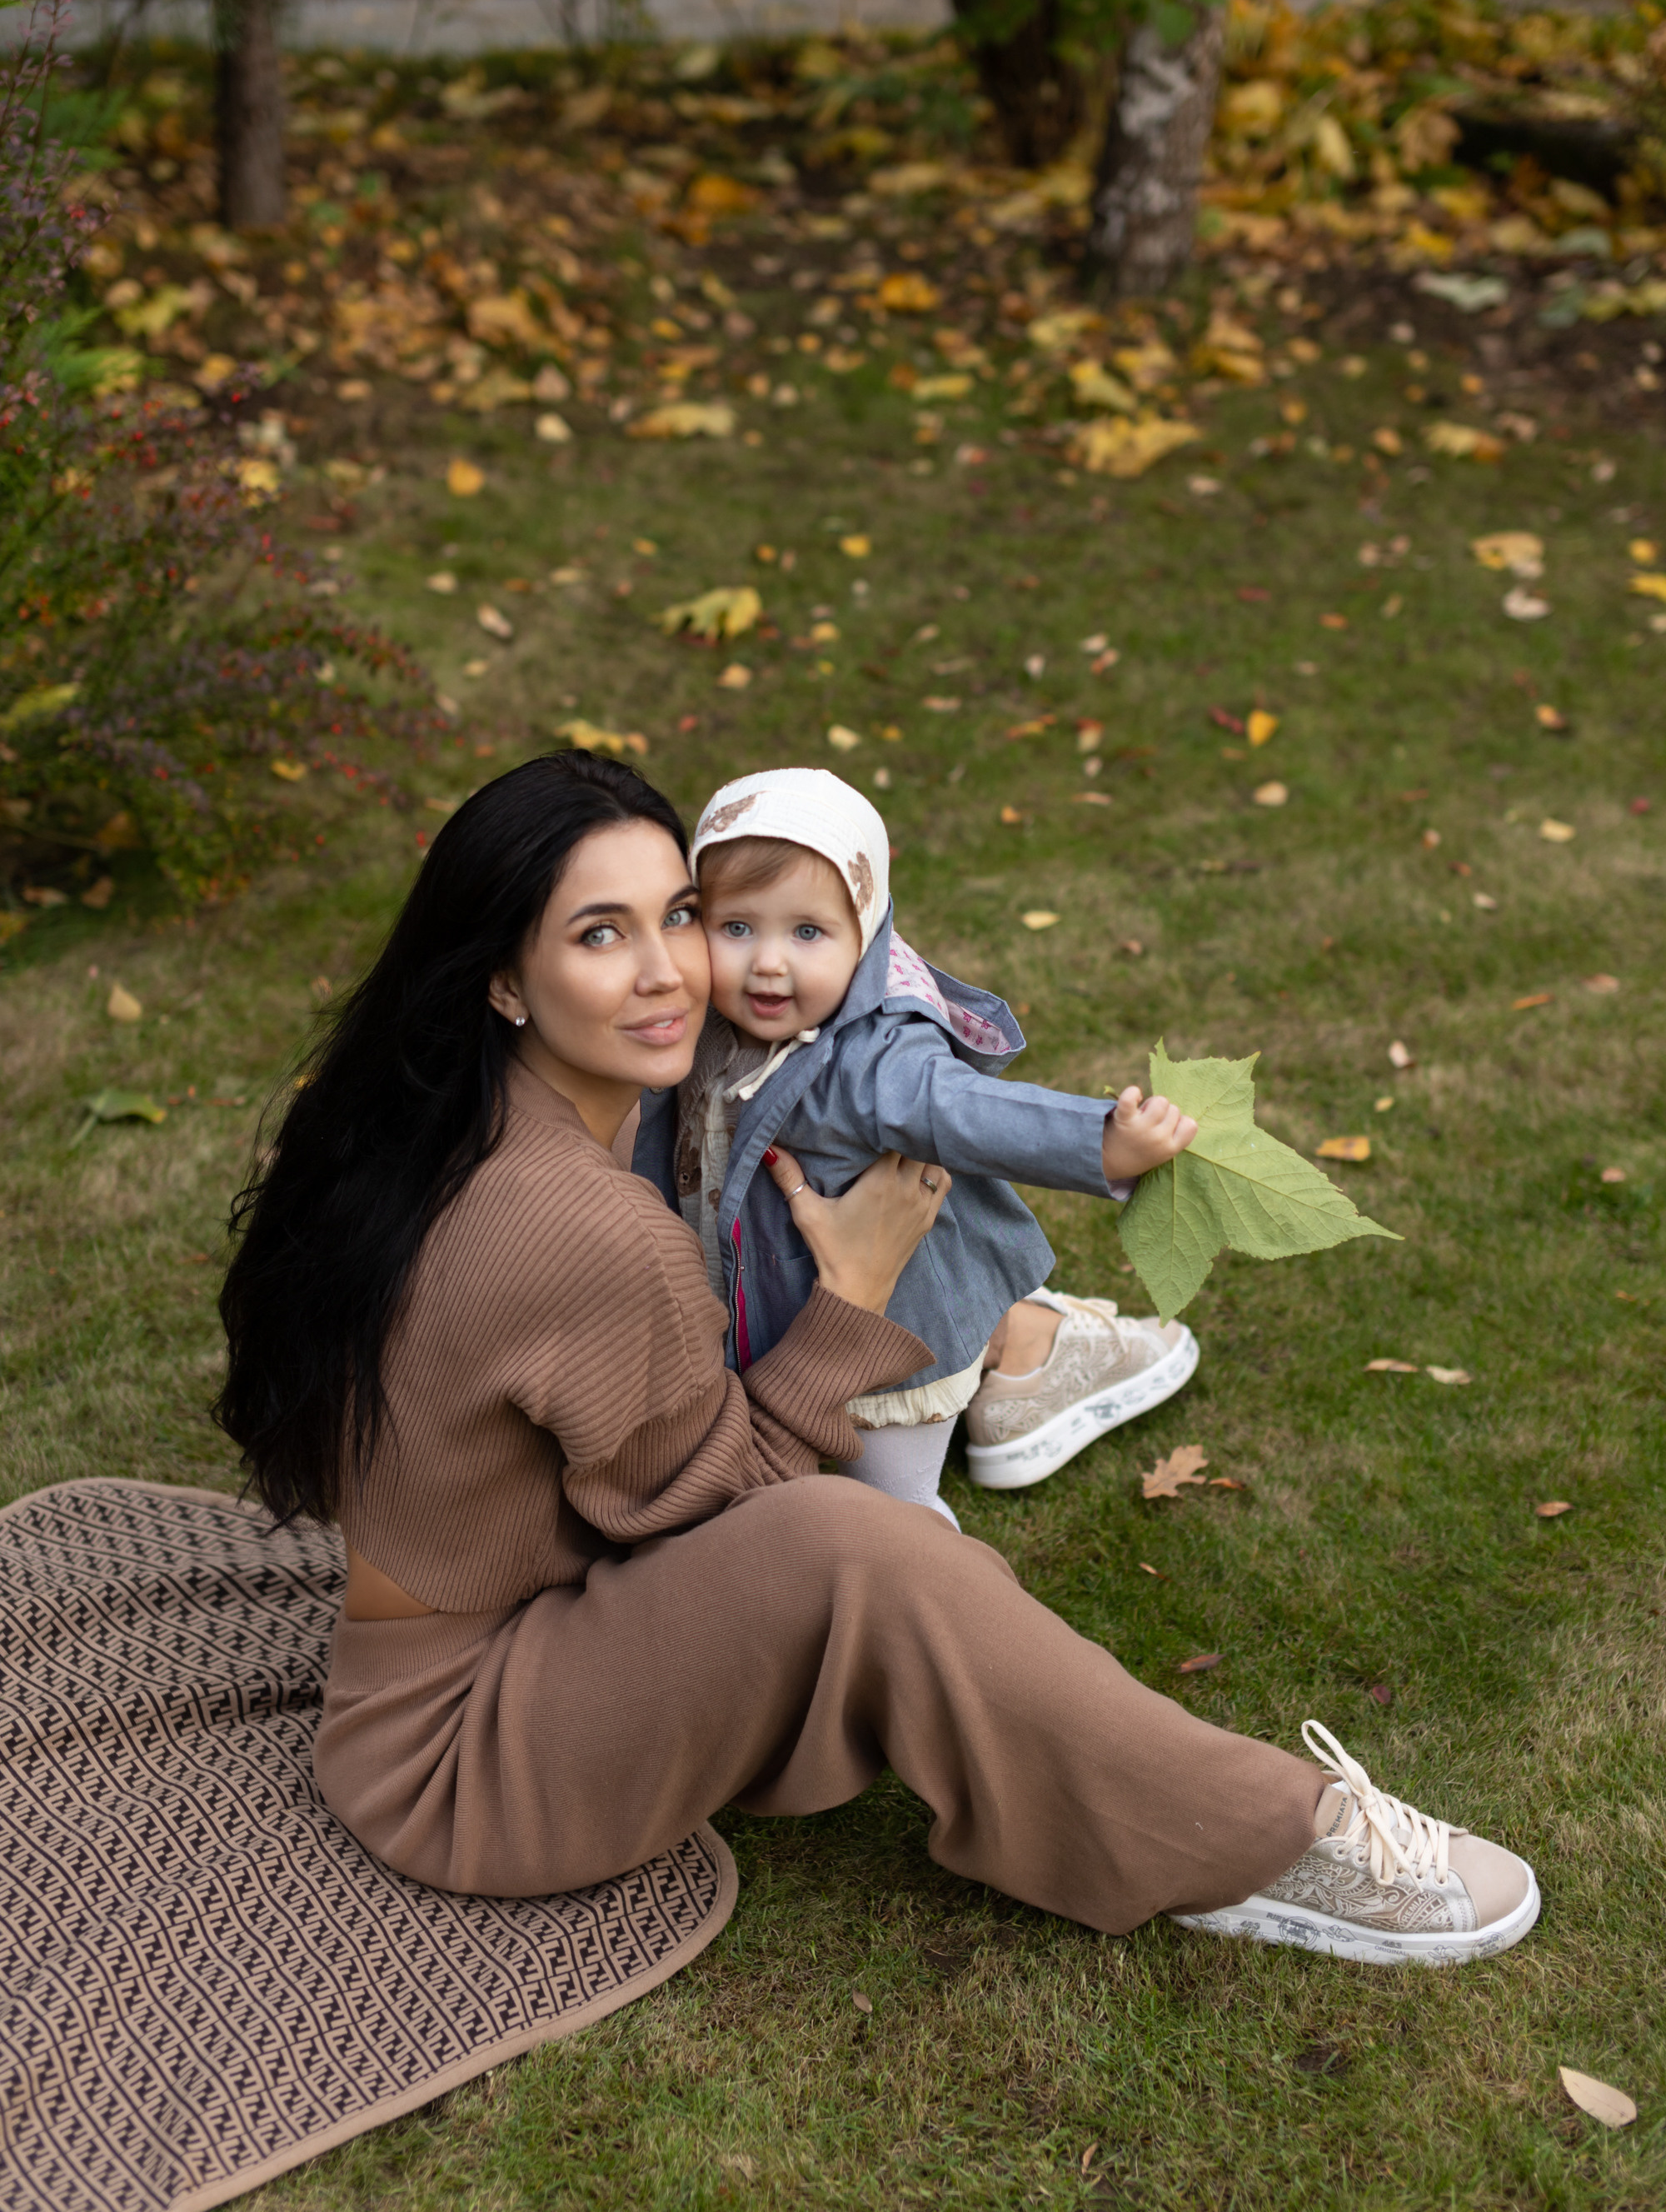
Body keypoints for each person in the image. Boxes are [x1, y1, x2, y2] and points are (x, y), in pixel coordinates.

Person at [215, 751, 1539, 1965]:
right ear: (503, 979)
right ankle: (1259, 1841)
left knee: (882, 1523)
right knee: (882, 1560)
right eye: (598, 936)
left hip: (458, 1648)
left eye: (679, 914)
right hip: (469, 1759)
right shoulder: (582, 1223)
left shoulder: (470, 1115)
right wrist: (852, 1293)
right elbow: (738, 1513)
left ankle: (1024, 1342)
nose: (675, 971)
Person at [633, 766, 1196, 1520]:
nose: (769, 962)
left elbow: (967, 1112)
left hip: (892, 1338)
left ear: (863, 935)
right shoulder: (701, 1020)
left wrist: (1101, 1144)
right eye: (737, 927)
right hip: (780, 1304)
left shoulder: (871, 1059)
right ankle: (1027, 1344)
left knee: (892, 1507)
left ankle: (928, 1570)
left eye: (808, 932)